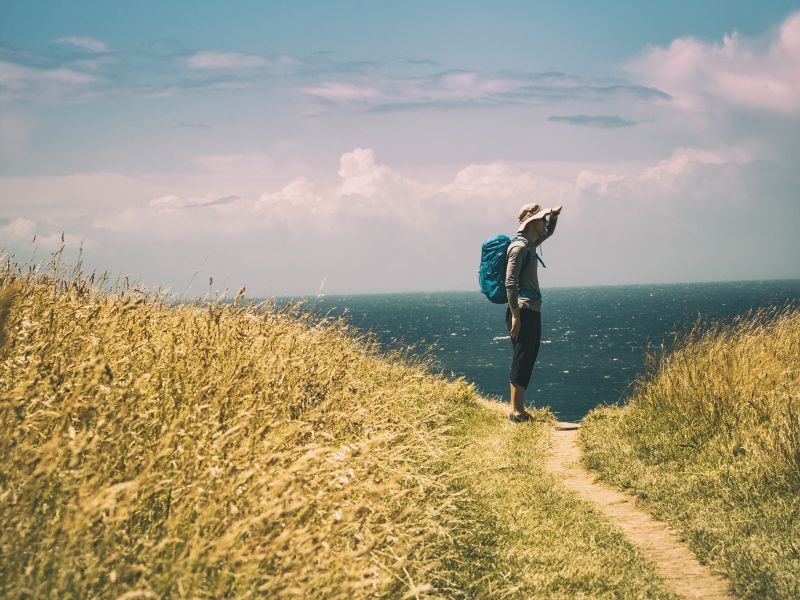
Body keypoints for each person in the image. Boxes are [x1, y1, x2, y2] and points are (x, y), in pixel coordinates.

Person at [505, 203, 561, 422]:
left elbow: (550, 231)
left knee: (528, 356)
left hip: (531, 308)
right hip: (522, 310)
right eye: (541, 219)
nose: (544, 222)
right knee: (521, 357)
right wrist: (516, 315)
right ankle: (516, 411)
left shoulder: (530, 244)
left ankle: (519, 408)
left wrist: (554, 216)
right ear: (531, 223)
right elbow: (510, 283)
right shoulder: (519, 248)